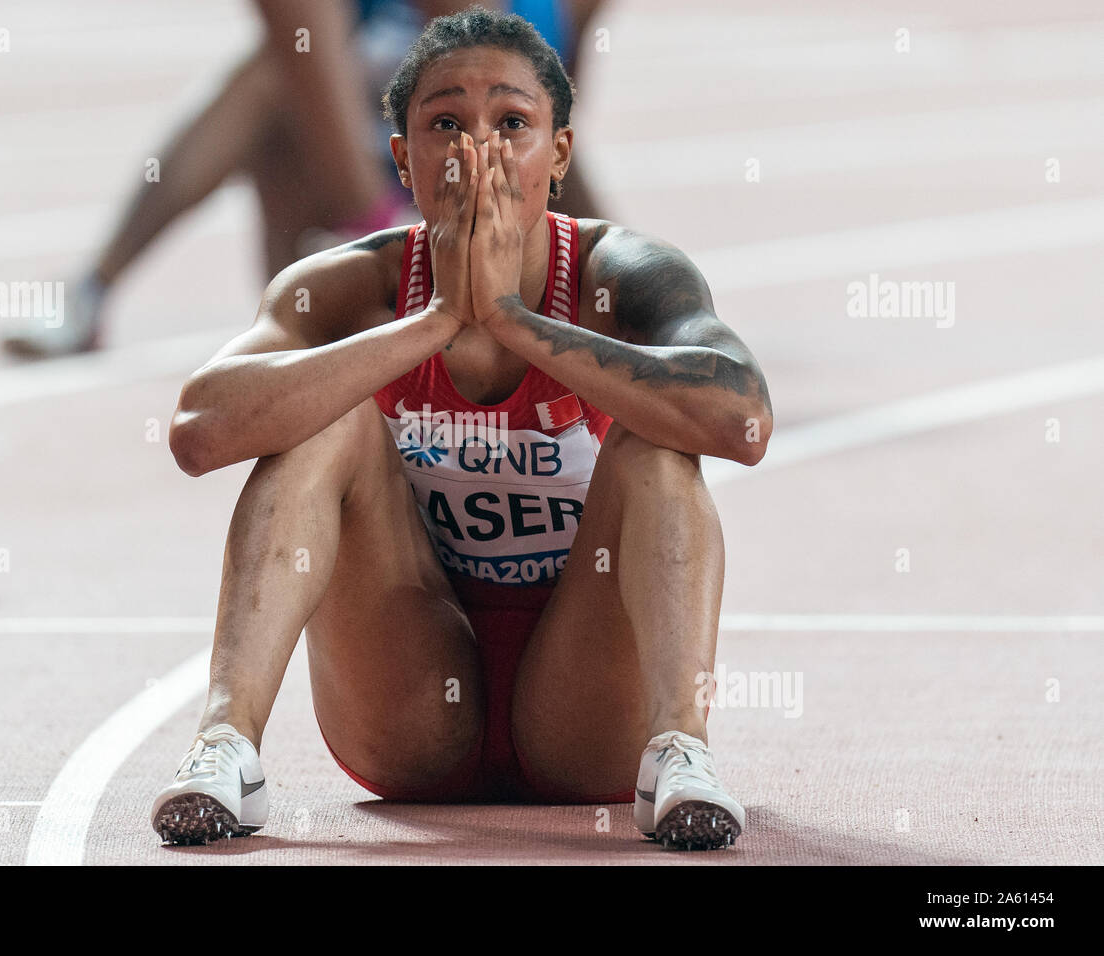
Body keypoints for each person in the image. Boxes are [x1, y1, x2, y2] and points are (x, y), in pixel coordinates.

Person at [149, 6, 772, 851]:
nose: (476, 150)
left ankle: (680, 750)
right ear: (403, 158)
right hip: (407, 698)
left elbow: (740, 422)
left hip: (585, 709)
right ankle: (224, 744)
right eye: (445, 123)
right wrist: (437, 319)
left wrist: (513, 320)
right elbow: (197, 429)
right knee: (320, 423)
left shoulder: (621, 275)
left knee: (661, 442)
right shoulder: (348, 288)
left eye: (511, 122)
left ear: (558, 153)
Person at [1, 0, 605, 358]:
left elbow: (562, 137)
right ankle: (97, 288)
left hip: (478, 188)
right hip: (357, 188)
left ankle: (597, 289)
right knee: (266, 83)